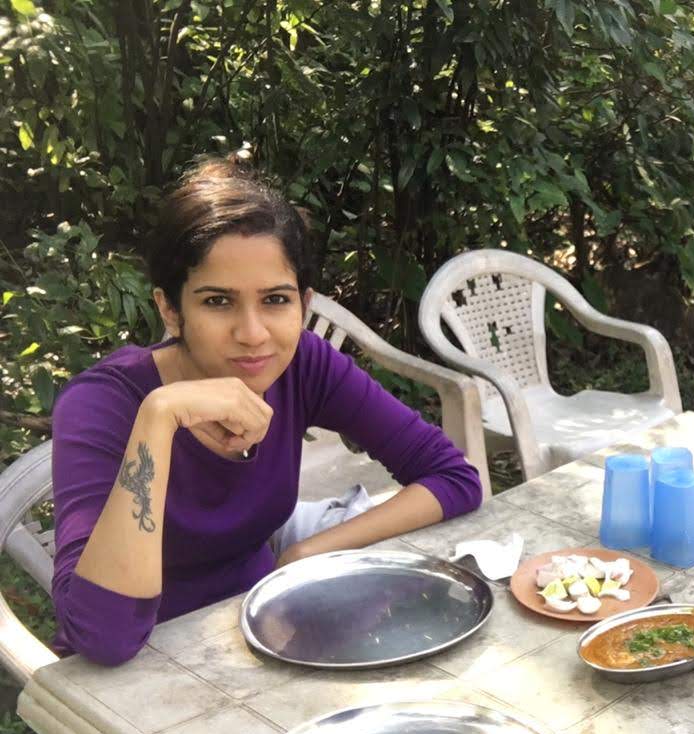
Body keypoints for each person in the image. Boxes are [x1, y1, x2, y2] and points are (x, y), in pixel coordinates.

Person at [50, 156, 483, 663]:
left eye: (275, 300)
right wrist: (158, 418)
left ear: (304, 303)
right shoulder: (103, 404)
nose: (253, 334)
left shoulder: (302, 364)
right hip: (139, 670)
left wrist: (308, 551)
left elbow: (453, 478)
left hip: (261, 633)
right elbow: (107, 637)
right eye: (217, 301)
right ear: (170, 309)